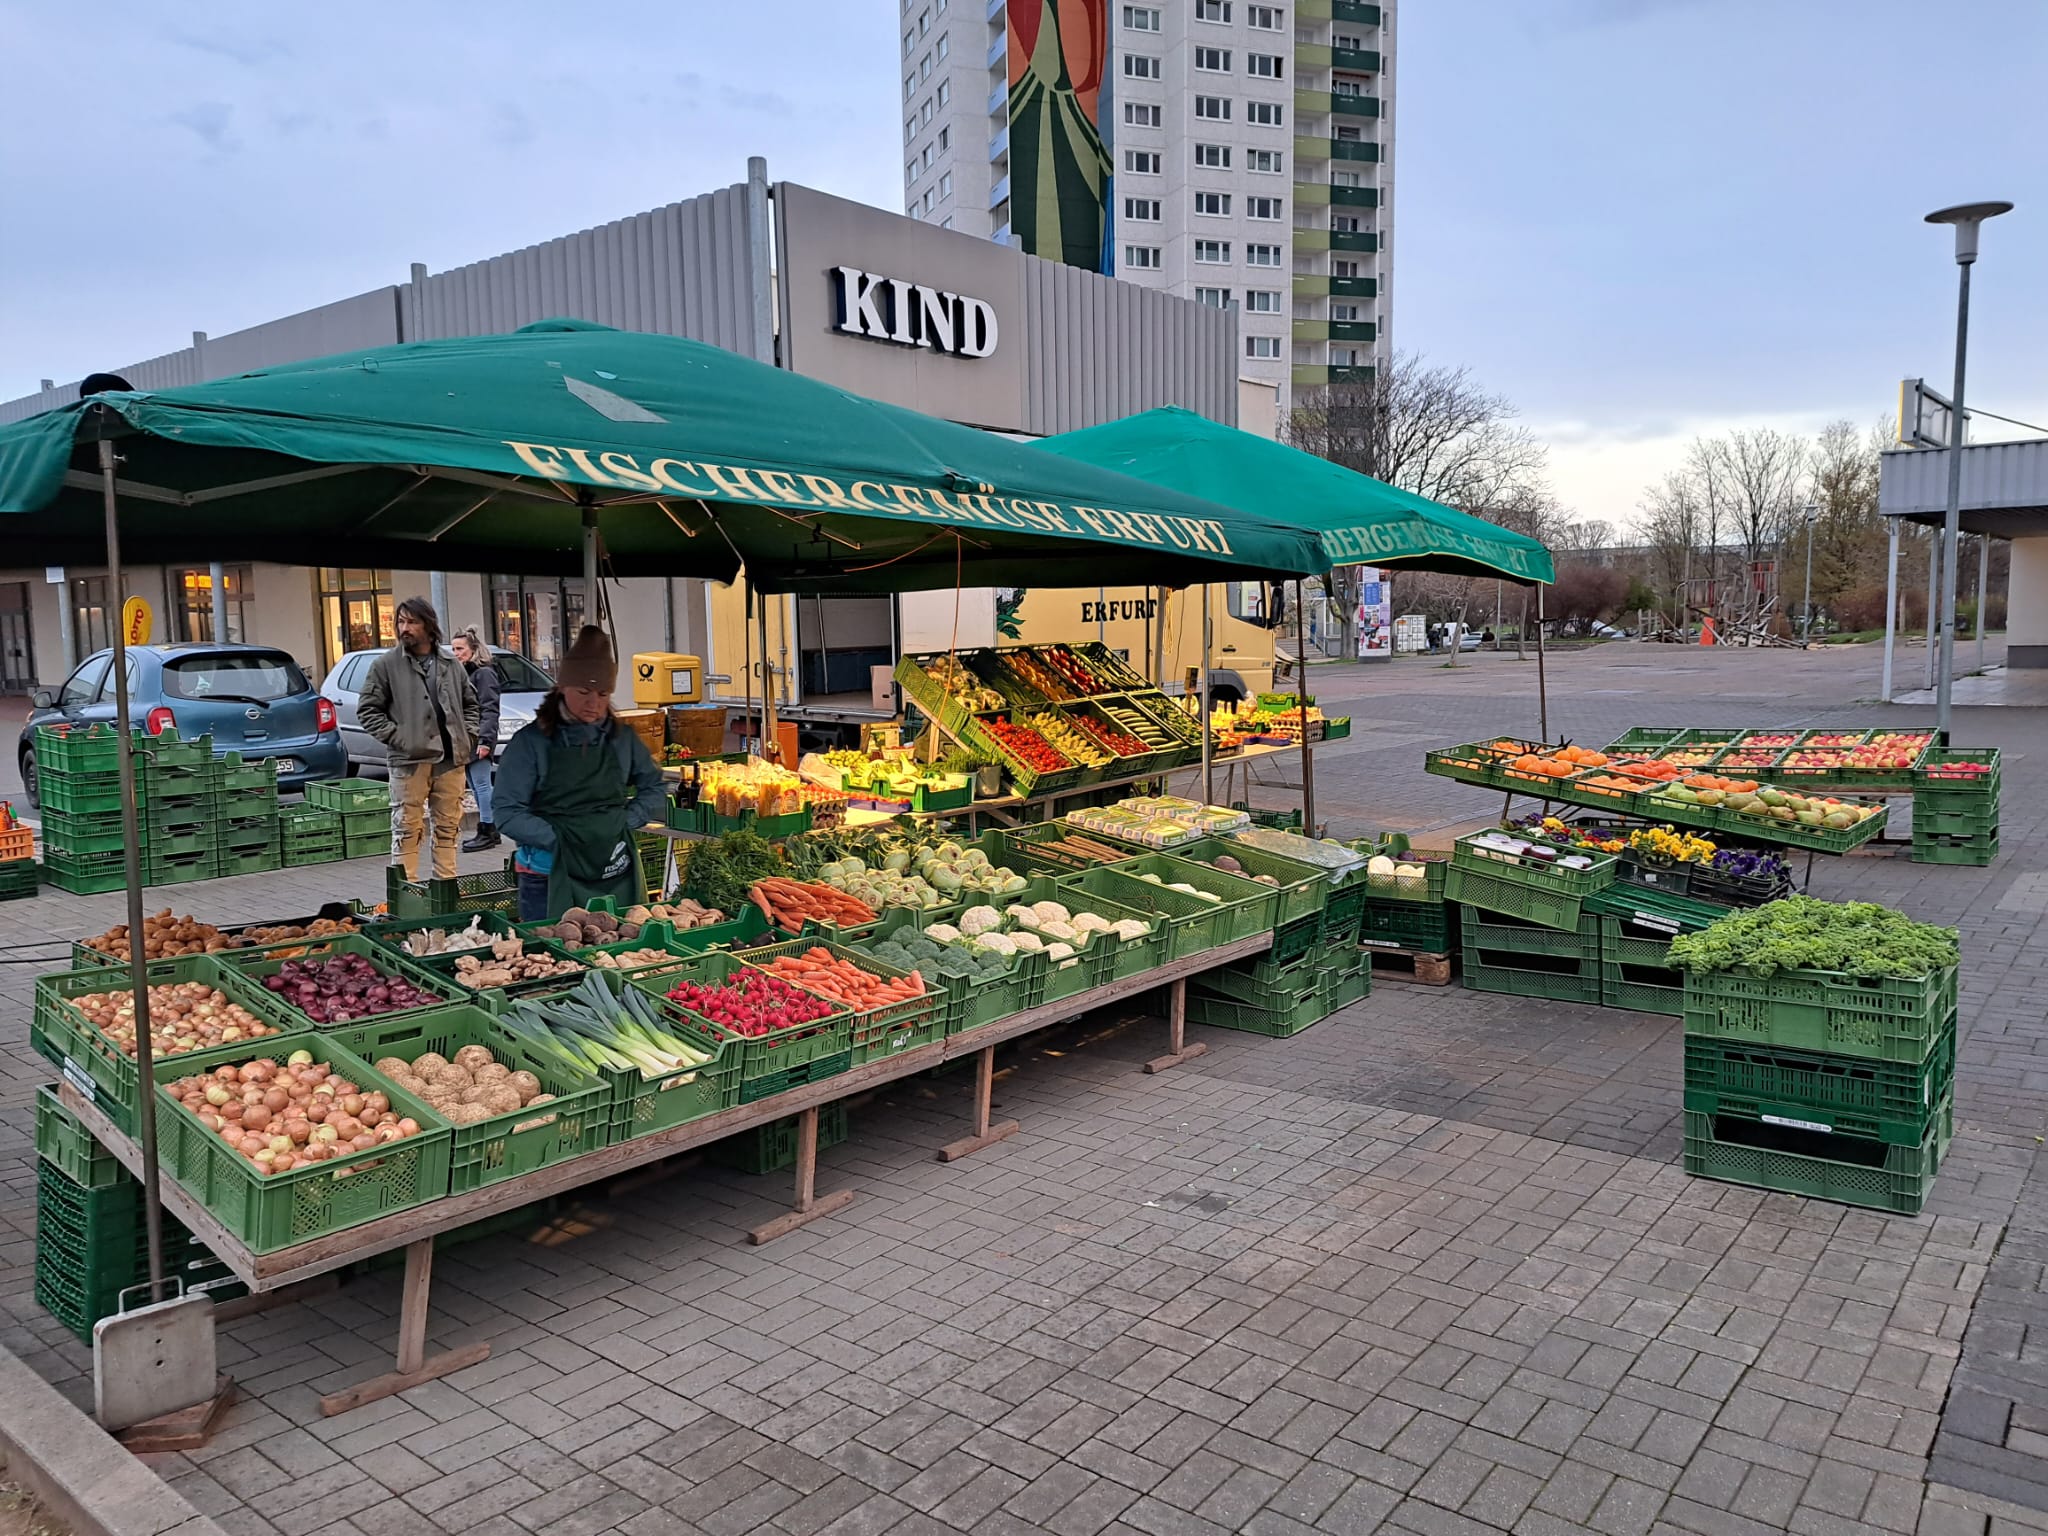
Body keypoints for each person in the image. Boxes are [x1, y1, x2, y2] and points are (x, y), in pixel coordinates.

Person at [494, 625, 666, 922]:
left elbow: (655, 788)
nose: (593, 704)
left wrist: (627, 820)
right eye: (584, 692)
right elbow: (506, 812)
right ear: (562, 688)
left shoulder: (621, 739)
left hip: (616, 870)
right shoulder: (530, 744)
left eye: (603, 694)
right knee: (557, 960)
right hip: (548, 875)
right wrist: (560, 840)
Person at [358, 597, 478, 881]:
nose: (404, 628)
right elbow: (368, 710)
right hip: (409, 761)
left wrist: (468, 736)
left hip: (450, 760)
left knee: (449, 828)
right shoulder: (385, 665)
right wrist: (399, 738)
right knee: (406, 830)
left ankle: (445, 889)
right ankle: (406, 895)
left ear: (429, 625)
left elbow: (471, 703)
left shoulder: (450, 663)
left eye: (412, 621)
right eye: (401, 621)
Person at [452, 626, 502, 852]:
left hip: (478, 738)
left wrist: (485, 740)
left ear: (473, 649)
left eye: (460, 648)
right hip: (468, 738)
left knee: (482, 785)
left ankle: (488, 830)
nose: (456, 653)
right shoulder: (467, 674)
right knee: (475, 784)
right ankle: (488, 829)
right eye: (453, 649)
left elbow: (490, 709)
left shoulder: (483, 674)